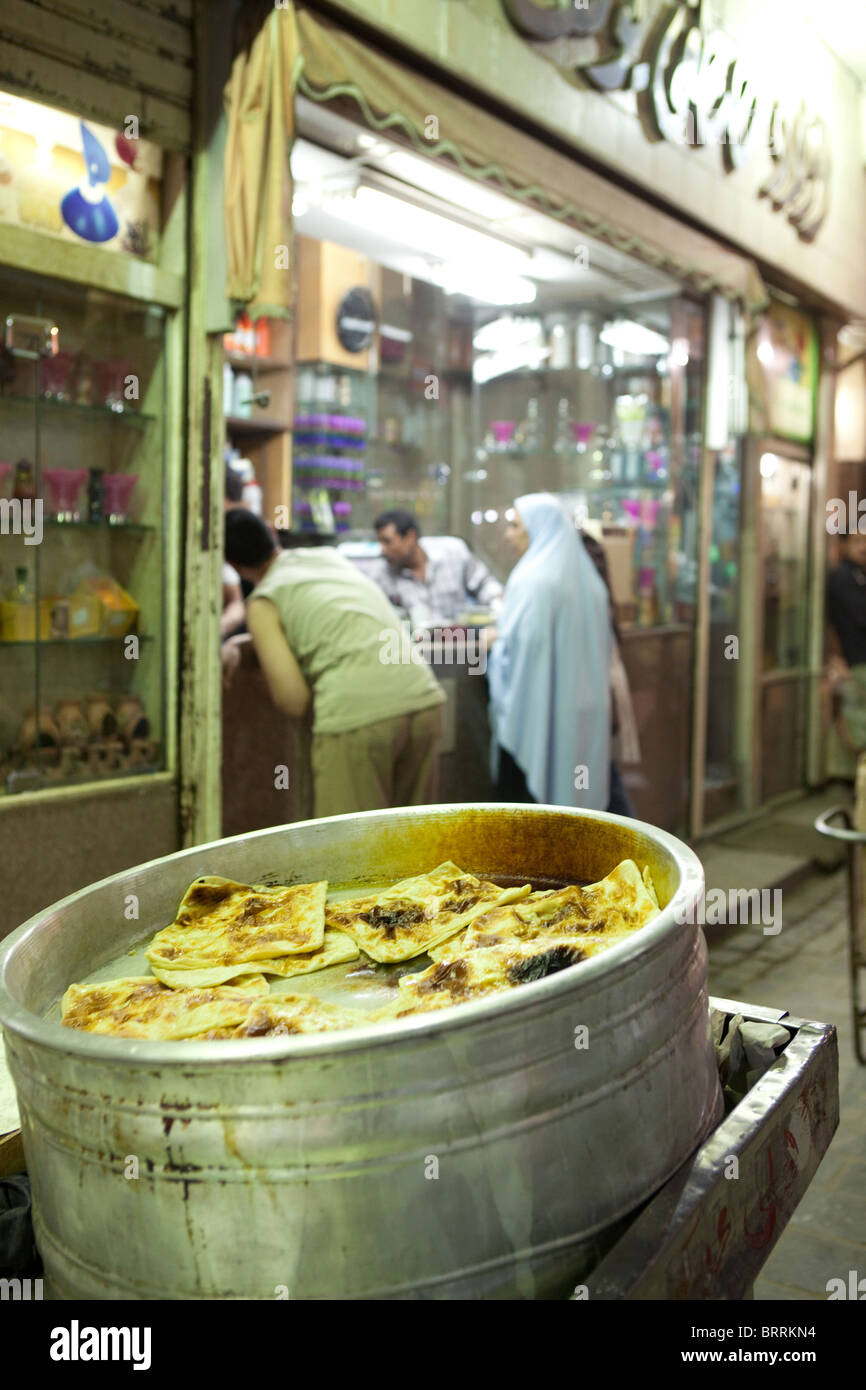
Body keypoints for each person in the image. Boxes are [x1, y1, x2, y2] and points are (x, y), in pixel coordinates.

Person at [223, 510, 445, 817]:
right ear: (272, 536)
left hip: (357, 717)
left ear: (233, 565)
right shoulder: (329, 558)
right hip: (423, 698)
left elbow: (293, 700)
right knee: (416, 843)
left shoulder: (263, 601)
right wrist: (247, 643)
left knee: (351, 849)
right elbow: (333, 616)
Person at [488, 493, 611, 809]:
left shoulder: (533, 581)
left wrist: (495, 643)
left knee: (529, 817)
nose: (509, 535)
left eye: (516, 526)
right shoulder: (589, 581)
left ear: (537, 527)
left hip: (537, 713)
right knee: (576, 800)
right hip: (583, 711)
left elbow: (521, 657)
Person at [371, 509, 503, 624]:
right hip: (413, 648)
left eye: (387, 541)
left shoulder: (453, 551)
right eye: (380, 542)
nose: (382, 550)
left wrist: (498, 605)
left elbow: (485, 584)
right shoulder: (382, 575)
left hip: (461, 644)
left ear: (410, 537)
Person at [827, 531, 866, 771]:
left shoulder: (859, 576)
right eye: (858, 541)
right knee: (856, 720)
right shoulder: (843, 577)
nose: (863, 547)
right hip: (856, 661)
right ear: (843, 545)